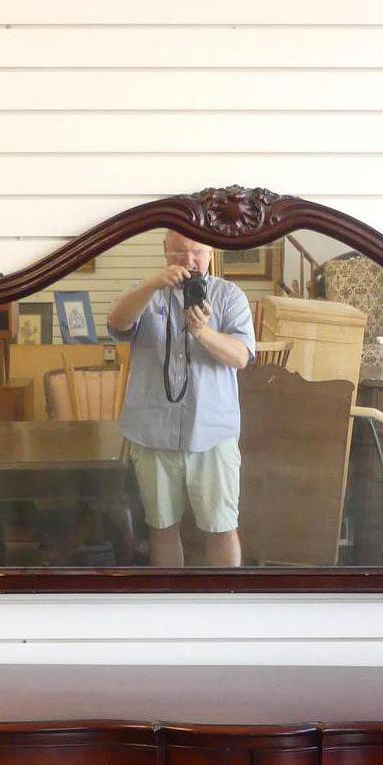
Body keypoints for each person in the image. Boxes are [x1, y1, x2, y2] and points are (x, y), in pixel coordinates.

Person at [106, 231, 255, 567]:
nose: (189, 261)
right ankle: (169, 598)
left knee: (222, 528)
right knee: (161, 528)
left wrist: (202, 332)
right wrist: (151, 285)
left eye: (197, 252)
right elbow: (117, 322)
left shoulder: (229, 296)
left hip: (212, 434)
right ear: (165, 252)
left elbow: (240, 357)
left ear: (211, 252)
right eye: (179, 253)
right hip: (152, 434)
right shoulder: (146, 294)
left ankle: (226, 598)